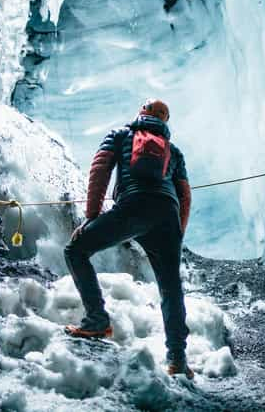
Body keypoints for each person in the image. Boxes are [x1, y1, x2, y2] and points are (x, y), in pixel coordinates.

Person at [63, 98, 194, 378]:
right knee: (171, 289)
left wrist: (92, 216)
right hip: (167, 215)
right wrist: (177, 234)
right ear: (165, 121)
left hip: (133, 205)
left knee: (76, 250)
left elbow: (100, 169)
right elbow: (184, 195)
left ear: (142, 112)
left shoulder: (122, 134)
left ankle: (97, 319)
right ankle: (177, 360)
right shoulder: (174, 151)